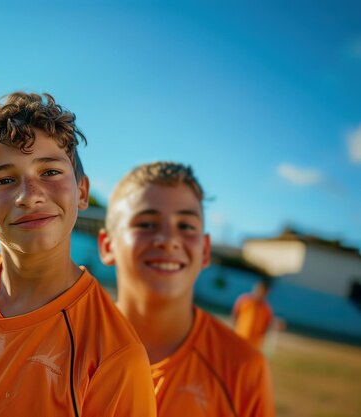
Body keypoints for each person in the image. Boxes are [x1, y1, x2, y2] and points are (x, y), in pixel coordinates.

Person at [0, 92, 156, 416]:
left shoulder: (115, 354)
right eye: (5, 179)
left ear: (81, 192)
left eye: (50, 172)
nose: (29, 196)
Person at [98, 161, 274, 416]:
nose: (169, 240)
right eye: (147, 224)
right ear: (107, 245)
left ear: (204, 250)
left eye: (186, 226)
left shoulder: (243, 368)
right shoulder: (65, 348)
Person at [233, 279, 277, 350]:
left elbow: (266, 326)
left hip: (254, 344)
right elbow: (235, 315)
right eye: (260, 289)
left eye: (264, 291)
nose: (261, 293)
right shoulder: (244, 300)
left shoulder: (266, 309)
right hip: (240, 337)